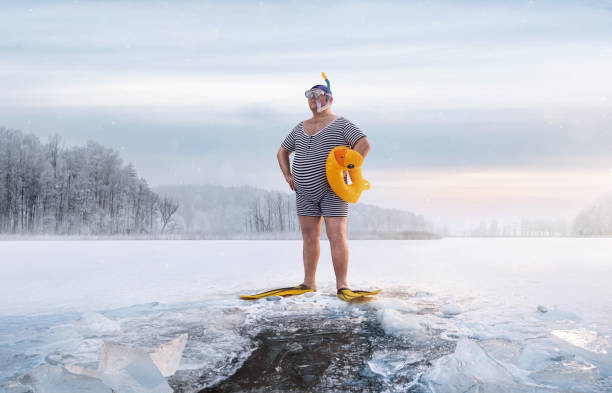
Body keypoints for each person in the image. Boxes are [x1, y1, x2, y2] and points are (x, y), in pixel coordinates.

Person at [277, 74, 371, 293]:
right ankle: (309, 283)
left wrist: (350, 169)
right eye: (309, 96)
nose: (312, 99)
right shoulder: (301, 127)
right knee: (309, 238)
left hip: (333, 191)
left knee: (336, 236)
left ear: (329, 98)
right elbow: (282, 151)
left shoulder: (341, 124)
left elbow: (364, 144)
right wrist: (288, 176)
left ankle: (342, 285)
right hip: (304, 192)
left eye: (317, 95)